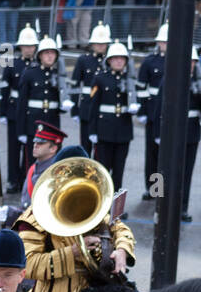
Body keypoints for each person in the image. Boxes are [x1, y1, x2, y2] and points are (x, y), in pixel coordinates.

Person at [15, 144, 135, 292]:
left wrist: (122, 249)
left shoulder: (94, 203)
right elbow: (28, 265)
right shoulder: (36, 216)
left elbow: (119, 227)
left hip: (100, 285)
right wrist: (73, 253)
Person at [154, 48, 201, 222]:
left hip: (191, 131)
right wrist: (157, 133)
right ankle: (161, 205)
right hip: (171, 132)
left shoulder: (199, 82)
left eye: (193, 62)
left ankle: (182, 208)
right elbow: (158, 108)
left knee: (186, 172)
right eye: (188, 61)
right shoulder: (169, 79)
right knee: (164, 173)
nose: (190, 65)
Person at [83, 40, 138, 192]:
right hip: (104, 131)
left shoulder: (130, 79)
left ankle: (116, 209)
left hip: (123, 131)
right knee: (102, 171)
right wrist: (92, 131)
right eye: (115, 58)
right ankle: (102, 206)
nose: (119, 61)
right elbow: (93, 107)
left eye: (122, 58)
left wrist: (136, 108)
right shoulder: (100, 78)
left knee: (119, 172)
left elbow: (137, 99)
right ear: (109, 61)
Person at [16, 36, 68, 170]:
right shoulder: (29, 74)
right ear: (40, 56)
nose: (50, 56)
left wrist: (64, 104)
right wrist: (21, 131)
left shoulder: (59, 74)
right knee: (32, 165)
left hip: (52, 124)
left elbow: (60, 101)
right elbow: (21, 105)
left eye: (53, 53)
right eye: (46, 53)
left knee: (53, 164)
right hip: (34, 124)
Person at [0, 26, 38, 193]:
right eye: (26, 46)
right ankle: (13, 180)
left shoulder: (38, 65)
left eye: (31, 46)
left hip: (31, 112)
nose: (29, 49)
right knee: (13, 148)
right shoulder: (11, 63)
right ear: (20, 47)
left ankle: (26, 179)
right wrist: (3, 111)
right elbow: (4, 89)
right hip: (14, 110)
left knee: (31, 149)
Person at [136, 22, 167, 199]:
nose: (165, 45)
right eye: (163, 42)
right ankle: (153, 189)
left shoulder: (177, 61)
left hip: (168, 114)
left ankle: (163, 189)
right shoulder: (150, 62)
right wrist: (142, 111)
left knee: (166, 155)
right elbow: (141, 88)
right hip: (152, 113)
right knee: (153, 153)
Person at [70, 22, 109, 153]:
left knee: (101, 151)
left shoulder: (111, 61)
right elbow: (75, 86)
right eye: (98, 43)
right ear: (92, 44)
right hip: (86, 108)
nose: (100, 46)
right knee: (85, 148)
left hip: (103, 111)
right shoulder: (83, 60)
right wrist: (74, 109)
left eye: (103, 43)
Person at [20, 120, 66, 208]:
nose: (35, 145)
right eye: (35, 142)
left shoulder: (55, 174)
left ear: (53, 149)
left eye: (40, 143)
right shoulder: (34, 168)